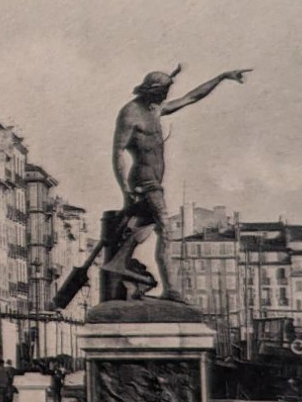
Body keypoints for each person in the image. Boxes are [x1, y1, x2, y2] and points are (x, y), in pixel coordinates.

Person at [103, 66, 249, 300]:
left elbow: (191, 97)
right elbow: (118, 152)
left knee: (142, 228)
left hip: (153, 182)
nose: (166, 98)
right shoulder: (131, 113)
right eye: (163, 93)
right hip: (144, 181)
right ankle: (171, 289)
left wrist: (221, 77)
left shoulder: (155, 108)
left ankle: (119, 263)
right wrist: (125, 189)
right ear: (151, 91)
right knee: (167, 232)